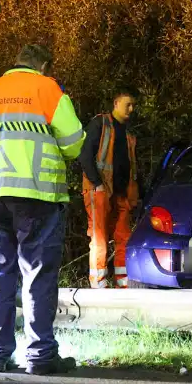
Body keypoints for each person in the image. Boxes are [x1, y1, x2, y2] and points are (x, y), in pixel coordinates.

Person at [0, 44, 85, 374]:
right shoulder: (46, 89)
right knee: (38, 274)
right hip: (36, 195)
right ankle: (40, 354)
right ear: (44, 65)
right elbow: (74, 142)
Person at [80, 86, 139, 288]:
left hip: (120, 193)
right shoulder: (101, 123)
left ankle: (123, 281)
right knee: (99, 237)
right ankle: (98, 283)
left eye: (133, 105)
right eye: (127, 104)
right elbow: (85, 154)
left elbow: (131, 169)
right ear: (116, 104)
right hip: (100, 190)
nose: (131, 109)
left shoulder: (128, 134)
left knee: (123, 237)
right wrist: (96, 183)